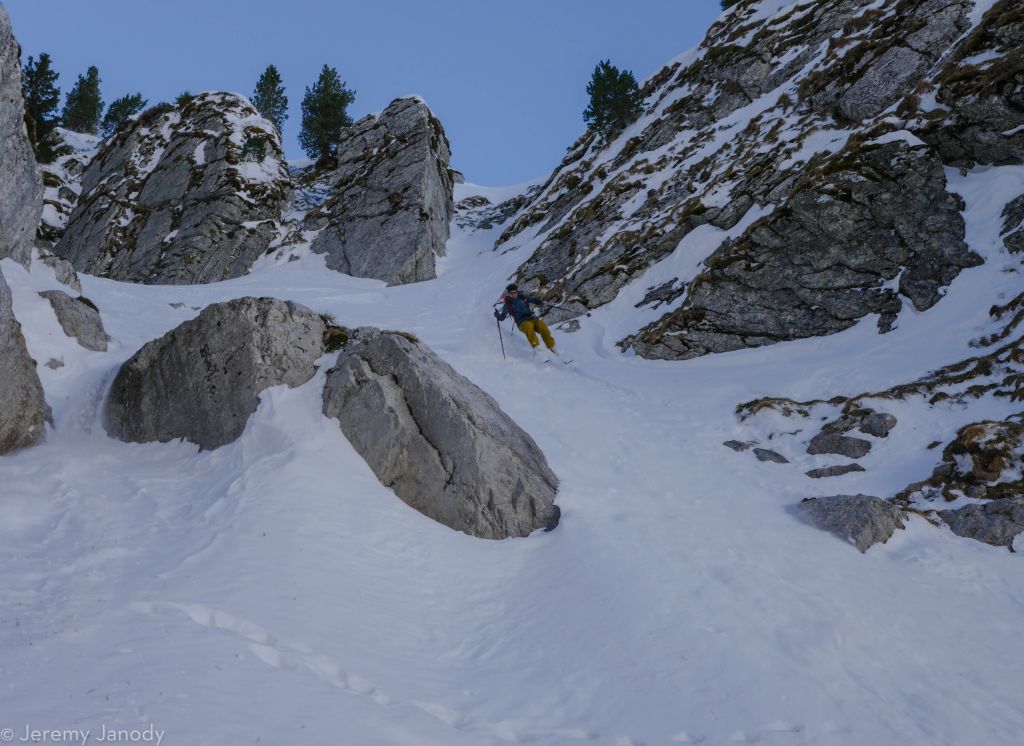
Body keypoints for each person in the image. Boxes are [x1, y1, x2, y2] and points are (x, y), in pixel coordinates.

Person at [494, 283, 558, 355]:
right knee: (528, 326)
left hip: (531, 318)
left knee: (542, 325)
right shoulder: (508, 304)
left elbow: (533, 299)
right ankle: (539, 350)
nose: (514, 294)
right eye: (512, 293)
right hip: (521, 322)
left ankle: (552, 347)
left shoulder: (523, 297)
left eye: (515, 292)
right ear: (508, 294)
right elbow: (502, 317)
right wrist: (497, 315)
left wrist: (541, 302)